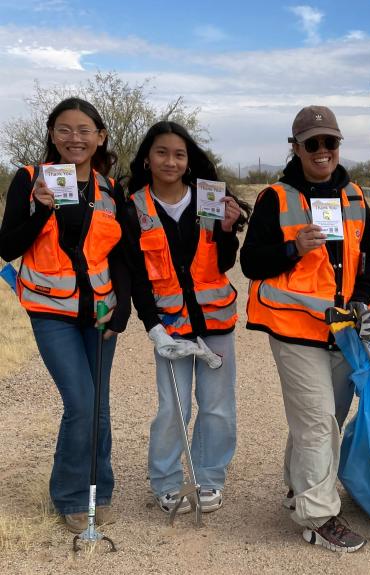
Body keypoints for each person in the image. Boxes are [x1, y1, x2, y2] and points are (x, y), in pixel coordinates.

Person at [241, 105, 370, 552]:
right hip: (294, 328)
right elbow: (250, 264)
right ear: (296, 147)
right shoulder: (275, 198)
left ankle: (296, 487)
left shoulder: (354, 195)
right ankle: (318, 516)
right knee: (319, 421)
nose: (323, 151)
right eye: (312, 143)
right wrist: (292, 248)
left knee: (323, 420)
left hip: (342, 329)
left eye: (330, 142)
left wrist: (361, 299)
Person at [0, 97, 130, 534]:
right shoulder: (30, 178)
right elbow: (8, 247)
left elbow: (122, 256)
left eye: (84, 130)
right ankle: (71, 496)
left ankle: (101, 490)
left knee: (99, 406)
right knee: (80, 403)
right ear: (52, 134)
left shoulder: (110, 189)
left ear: (100, 136)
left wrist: (121, 311)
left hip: (99, 311)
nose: (74, 138)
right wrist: (41, 211)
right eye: (64, 129)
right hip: (51, 311)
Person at [120, 121, 250, 515]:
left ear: (189, 160)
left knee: (218, 406)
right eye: (162, 152)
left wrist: (227, 230)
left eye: (179, 154)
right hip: (170, 329)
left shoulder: (210, 198)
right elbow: (137, 277)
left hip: (215, 323)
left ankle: (209, 478)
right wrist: (152, 327)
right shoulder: (134, 208)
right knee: (173, 408)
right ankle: (166, 481)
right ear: (147, 158)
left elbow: (223, 261)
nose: (171, 161)